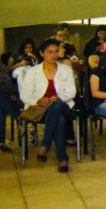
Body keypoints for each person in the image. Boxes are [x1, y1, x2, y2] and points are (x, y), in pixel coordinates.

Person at [19, 39, 76, 172]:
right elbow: (24, 95)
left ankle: (45, 145)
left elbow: (71, 92)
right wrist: (38, 100)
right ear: (41, 53)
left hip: (64, 106)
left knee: (56, 106)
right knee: (58, 119)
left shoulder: (66, 70)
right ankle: (62, 159)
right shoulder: (33, 72)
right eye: (49, 52)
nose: (53, 55)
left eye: (56, 51)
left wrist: (58, 98)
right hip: (41, 111)